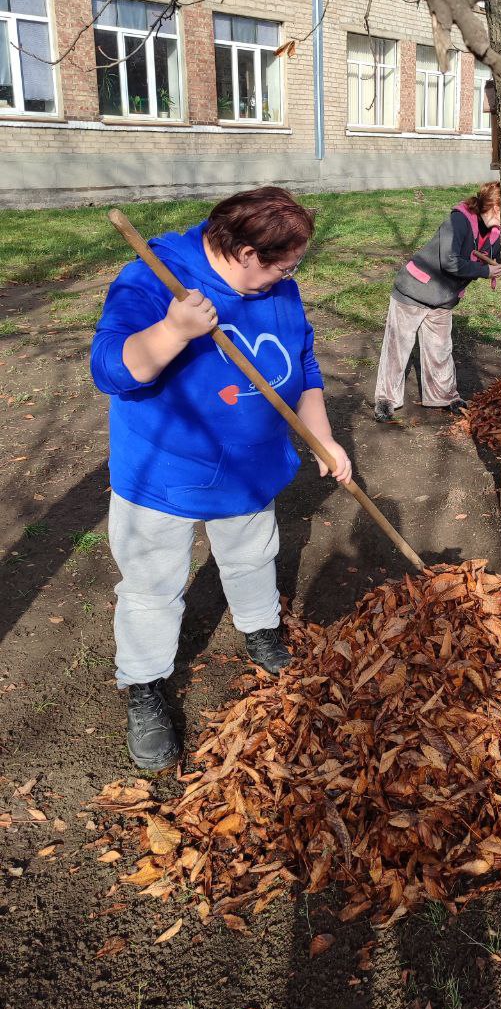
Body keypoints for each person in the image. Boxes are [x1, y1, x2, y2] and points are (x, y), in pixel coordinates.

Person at [91, 187, 352, 770]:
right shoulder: (151, 279)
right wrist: (173, 331)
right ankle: (144, 686)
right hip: (165, 470)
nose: (291, 275)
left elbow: (302, 363)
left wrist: (321, 435)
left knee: (253, 555)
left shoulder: (278, 287)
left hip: (249, 466)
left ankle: (260, 631)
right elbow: (111, 370)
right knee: (153, 586)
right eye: (282, 265)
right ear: (241, 251)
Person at [374, 182, 501, 422]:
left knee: (440, 349)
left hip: (444, 298)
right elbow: (449, 261)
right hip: (414, 290)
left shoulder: (496, 235)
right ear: (495, 207)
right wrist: (484, 272)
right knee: (397, 348)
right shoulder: (459, 221)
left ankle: (444, 396)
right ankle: (386, 400)